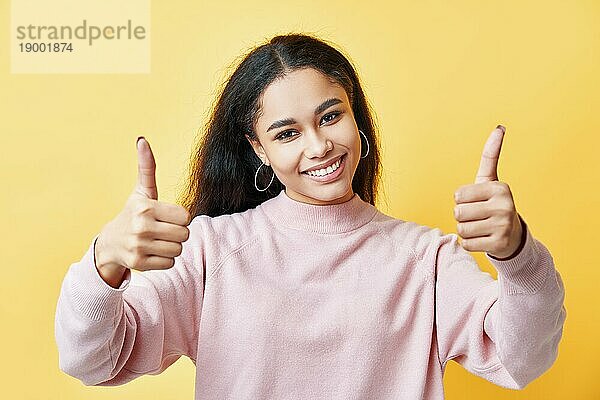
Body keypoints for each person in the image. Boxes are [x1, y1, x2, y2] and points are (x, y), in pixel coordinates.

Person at [54, 33, 567, 399]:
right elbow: (92, 360)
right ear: (259, 149)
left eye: (330, 116)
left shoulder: (424, 259)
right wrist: (105, 262)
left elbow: (522, 359)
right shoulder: (212, 250)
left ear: (354, 114)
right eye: (287, 132)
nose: (320, 146)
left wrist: (517, 253)